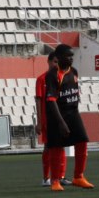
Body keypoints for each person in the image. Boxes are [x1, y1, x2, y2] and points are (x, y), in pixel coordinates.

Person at [45, 44, 92, 191]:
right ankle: (55, 181)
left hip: (73, 113)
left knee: (83, 140)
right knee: (56, 147)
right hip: (57, 115)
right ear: (58, 58)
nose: (71, 58)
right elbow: (52, 100)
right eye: (68, 56)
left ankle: (78, 176)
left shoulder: (74, 72)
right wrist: (61, 122)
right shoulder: (52, 75)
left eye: (72, 56)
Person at [35, 52, 65, 187]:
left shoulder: (63, 77)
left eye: (58, 62)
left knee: (62, 145)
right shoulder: (42, 79)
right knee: (48, 147)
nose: (56, 65)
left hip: (61, 119)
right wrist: (39, 122)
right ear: (48, 62)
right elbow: (39, 101)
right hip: (48, 120)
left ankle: (61, 176)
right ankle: (46, 177)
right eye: (54, 62)